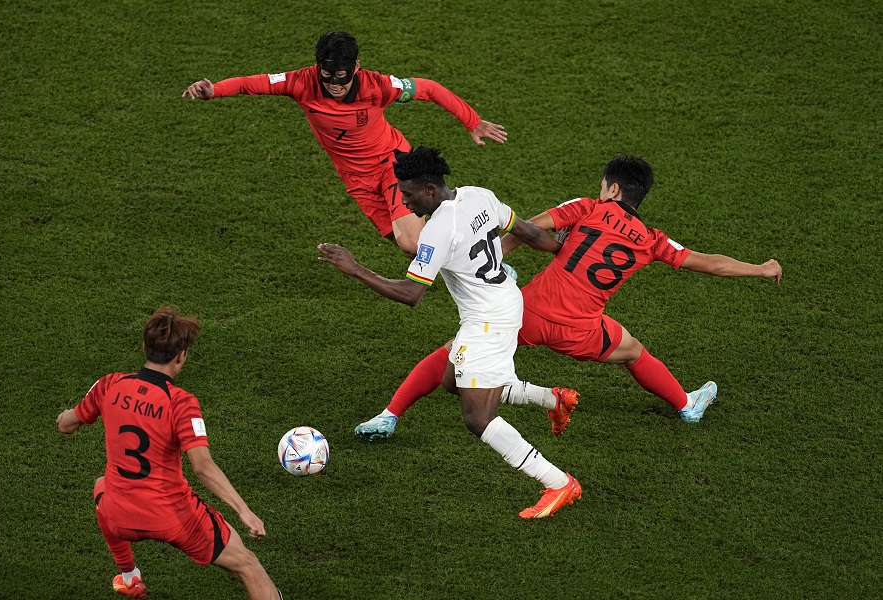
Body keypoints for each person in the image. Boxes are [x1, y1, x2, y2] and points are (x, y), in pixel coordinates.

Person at [354, 154, 784, 439]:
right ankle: (687, 404)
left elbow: (528, 227)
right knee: (634, 351)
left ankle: (390, 415)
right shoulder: (651, 240)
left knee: (453, 353)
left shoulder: (587, 207)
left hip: (528, 312)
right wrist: (760, 269)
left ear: (612, 189)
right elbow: (709, 263)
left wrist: (497, 258)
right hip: (583, 330)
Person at [318, 146, 581, 519]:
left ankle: (557, 482)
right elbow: (526, 231)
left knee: (478, 419)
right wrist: (560, 251)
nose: (404, 203)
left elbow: (411, 294)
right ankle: (551, 399)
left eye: (408, 194)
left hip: (487, 321)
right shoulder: (478, 195)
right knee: (451, 380)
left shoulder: (437, 230)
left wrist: (356, 268)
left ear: (429, 189)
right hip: (504, 301)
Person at [183, 31, 507, 256]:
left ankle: (487, 242)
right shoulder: (301, 82)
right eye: (327, 75)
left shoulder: (377, 87)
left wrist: (473, 121)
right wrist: (214, 91)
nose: (335, 84)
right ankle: (475, 256)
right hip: (357, 181)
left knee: (412, 243)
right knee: (411, 248)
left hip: (393, 165)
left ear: (356, 67)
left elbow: (429, 88)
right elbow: (253, 83)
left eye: (342, 75)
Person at [56, 307, 281, 600]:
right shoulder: (180, 403)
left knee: (101, 486)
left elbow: (66, 425)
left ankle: (129, 577)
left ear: (144, 347)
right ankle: (130, 577)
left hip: (119, 515)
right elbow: (202, 466)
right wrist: (244, 511)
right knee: (248, 566)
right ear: (181, 356)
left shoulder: (109, 384)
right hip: (174, 518)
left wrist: (66, 415)